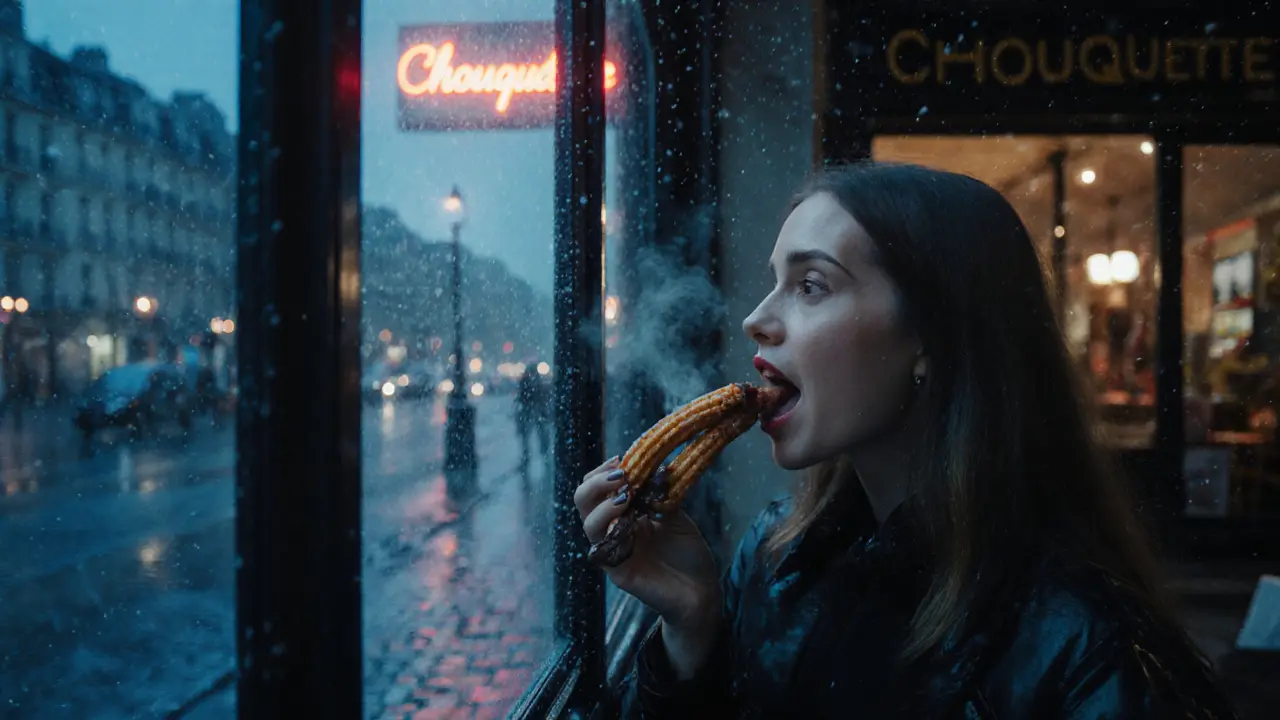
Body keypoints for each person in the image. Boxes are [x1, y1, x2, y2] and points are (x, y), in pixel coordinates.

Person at [575, 163, 1239, 718]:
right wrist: (691, 628)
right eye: (773, 282)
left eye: (810, 285)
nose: (756, 319)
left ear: (932, 337)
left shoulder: (1088, 646)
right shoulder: (773, 564)